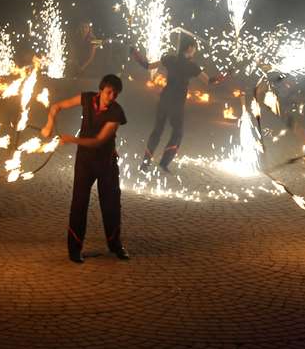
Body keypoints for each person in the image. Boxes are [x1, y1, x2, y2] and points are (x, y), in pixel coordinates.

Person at [42, 74, 130, 264]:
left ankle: (115, 245)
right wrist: (49, 124)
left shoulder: (116, 113)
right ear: (101, 90)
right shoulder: (87, 98)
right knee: (79, 204)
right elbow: (56, 106)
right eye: (109, 92)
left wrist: (71, 139)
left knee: (111, 205)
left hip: (106, 163)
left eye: (116, 94)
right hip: (85, 162)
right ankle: (74, 249)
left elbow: (98, 141)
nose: (112, 97)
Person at [135, 37, 215, 173]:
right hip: (176, 104)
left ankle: (145, 163)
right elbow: (209, 81)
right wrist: (226, 75)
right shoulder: (192, 66)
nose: (195, 51)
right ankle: (164, 163)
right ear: (189, 48)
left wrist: (136, 55)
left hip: (164, 99)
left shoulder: (170, 59)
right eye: (194, 48)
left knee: (157, 131)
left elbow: (147, 66)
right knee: (177, 133)